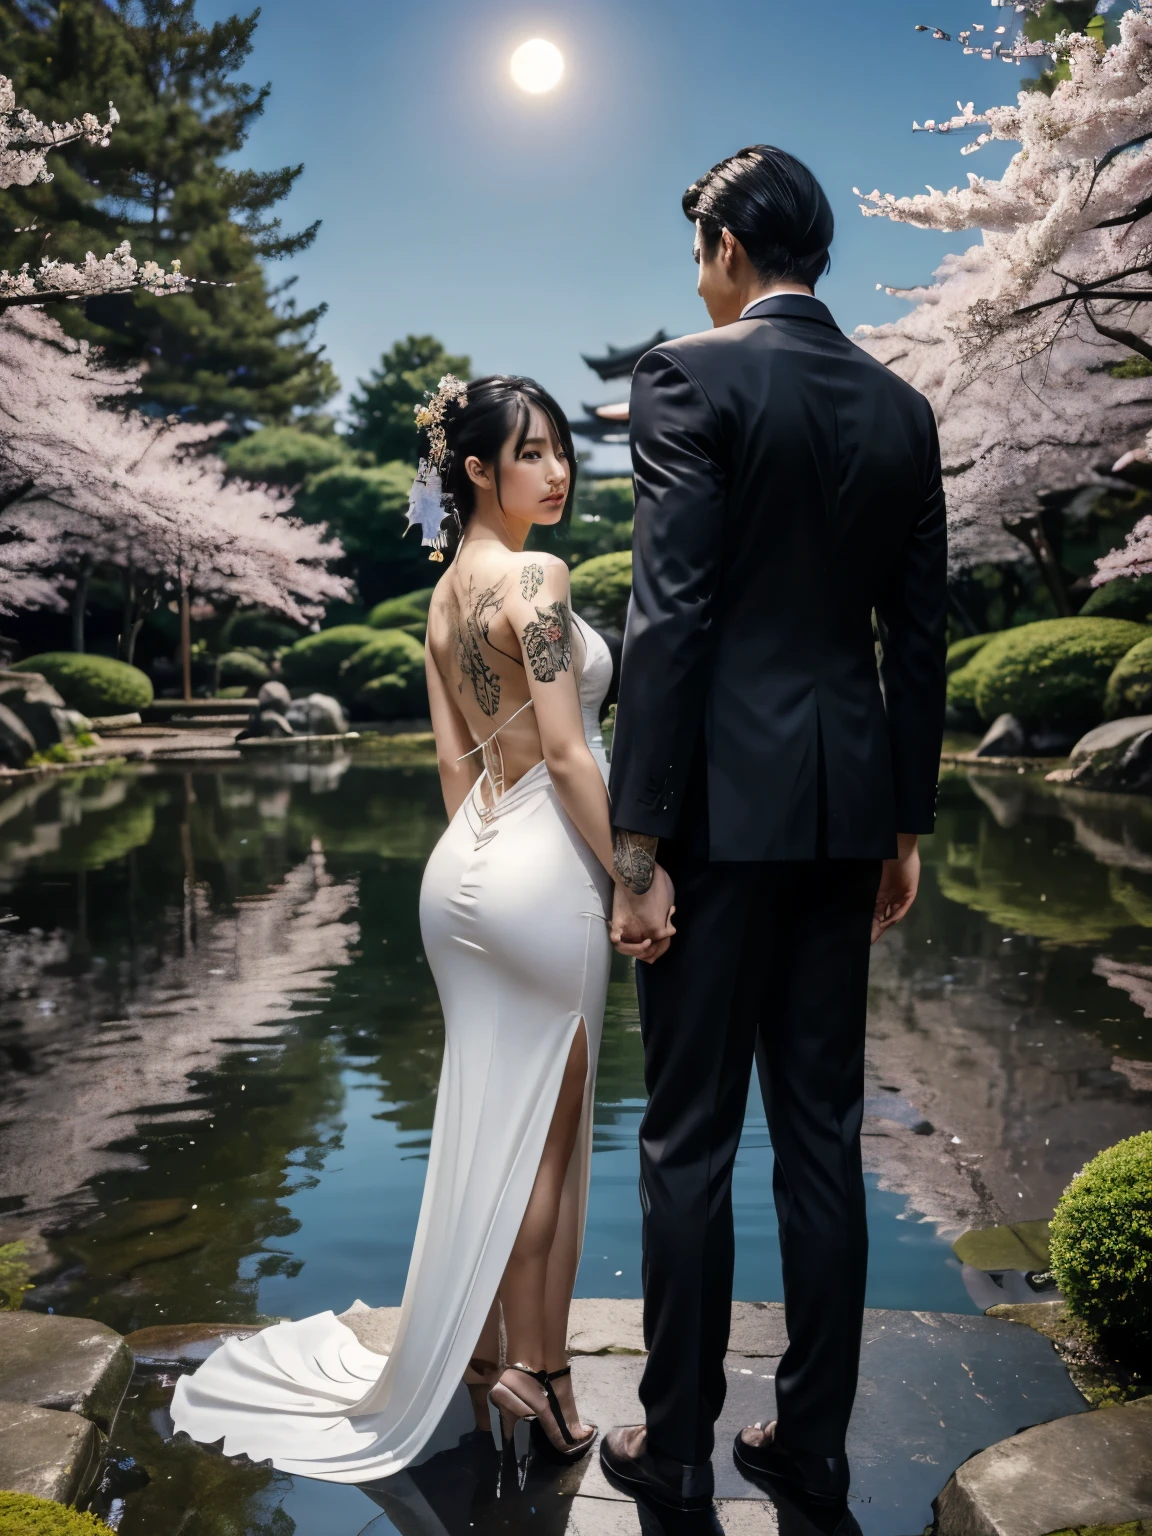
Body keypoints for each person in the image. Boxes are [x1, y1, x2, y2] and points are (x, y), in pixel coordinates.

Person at [170, 375, 663, 1481]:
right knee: (547, 1142)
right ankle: (538, 1371)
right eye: (531, 452)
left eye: (563, 450)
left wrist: (483, 861)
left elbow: (458, 766)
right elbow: (570, 751)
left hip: (466, 869)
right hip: (543, 868)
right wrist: (634, 878)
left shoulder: (445, 596)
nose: (558, 470)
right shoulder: (535, 576)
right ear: (478, 470)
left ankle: (496, 1357)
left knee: (491, 1119)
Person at [599, 146, 948, 1516]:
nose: (697, 270)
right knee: (821, 1133)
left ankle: (674, 1436)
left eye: (700, 244)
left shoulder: (689, 374)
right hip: (849, 810)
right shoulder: (903, 406)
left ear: (734, 245)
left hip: (714, 814)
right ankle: (808, 1441)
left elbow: (669, 615)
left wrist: (638, 843)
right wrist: (907, 824)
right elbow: (917, 634)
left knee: (687, 1136)